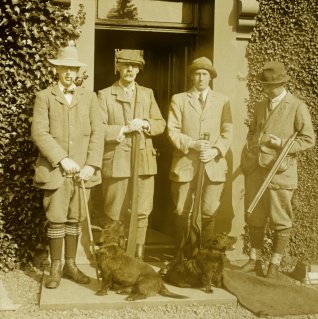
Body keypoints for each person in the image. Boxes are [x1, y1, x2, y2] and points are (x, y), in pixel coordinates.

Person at [31, 43, 104, 289]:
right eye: (64, 68)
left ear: (77, 71)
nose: (69, 73)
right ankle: (56, 267)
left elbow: (98, 132)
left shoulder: (89, 96)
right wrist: (62, 158)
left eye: (73, 68)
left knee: (76, 218)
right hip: (55, 171)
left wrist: (92, 165)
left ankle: (71, 266)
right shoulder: (44, 97)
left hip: (83, 173)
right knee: (56, 219)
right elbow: (39, 133)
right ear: (57, 69)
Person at [240, 61, 315, 278]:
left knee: (280, 218)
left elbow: (308, 139)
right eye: (263, 85)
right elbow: (253, 130)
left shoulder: (297, 106)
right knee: (254, 215)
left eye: (269, 85)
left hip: (279, 172)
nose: (264, 89)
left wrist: (281, 143)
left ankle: (274, 264)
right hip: (255, 169)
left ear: (281, 84)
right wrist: (252, 147)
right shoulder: (261, 105)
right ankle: (254, 260)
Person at [97, 49, 166, 260]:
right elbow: (98, 129)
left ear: (139, 69)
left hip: (144, 162)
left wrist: (145, 123)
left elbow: (160, 123)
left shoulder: (147, 94)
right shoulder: (104, 95)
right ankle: (113, 258)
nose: (129, 69)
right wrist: (124, 129)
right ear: (117, 67)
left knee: (142, 212)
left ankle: (137, 259)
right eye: (125, 65)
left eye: (134, 66)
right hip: (117, 162)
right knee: (114, 212)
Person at [167, 56, 233, 261]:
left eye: (205, 74)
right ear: (192, 77)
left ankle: (203, 257)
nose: (201, 78)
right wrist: (191, 144)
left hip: (213, 164)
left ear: (211, 77)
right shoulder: (179, 99)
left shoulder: (223, 100)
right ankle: (181, 256)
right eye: (197, 74)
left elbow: (228, 130)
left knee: (208, 210)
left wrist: (216, 150)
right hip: (186, 163)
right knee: (182, 210)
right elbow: (172, 130)